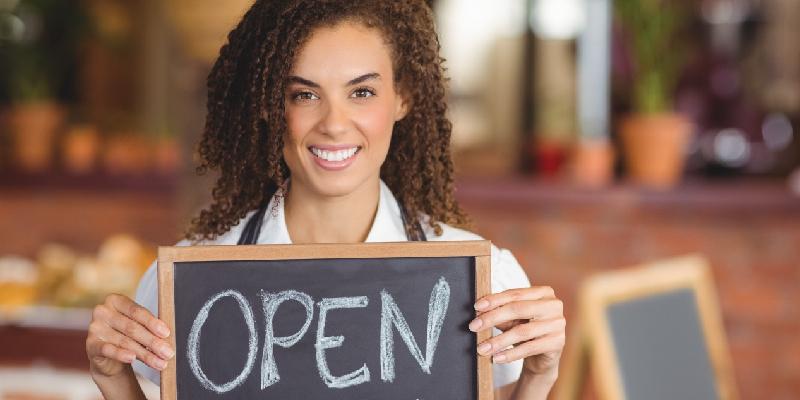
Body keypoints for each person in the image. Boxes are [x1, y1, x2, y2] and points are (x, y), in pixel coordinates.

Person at [86, 1, 566, 398]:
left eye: (361, 91)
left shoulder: (483, 281)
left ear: (404, 96)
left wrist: (537, 377)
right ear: (270, 106)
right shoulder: (186, 283)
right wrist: (116, 380)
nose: (334, 124)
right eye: (304, 95)